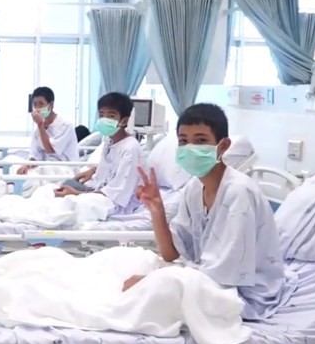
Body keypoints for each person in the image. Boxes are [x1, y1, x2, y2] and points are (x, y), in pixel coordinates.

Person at [123, 103, 296, 321]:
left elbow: (222, 277)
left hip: (243, 293)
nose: (190, 148)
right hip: (208, 279)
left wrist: (156, 281)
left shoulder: (238, 193)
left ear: (223, 146)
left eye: (201, 140)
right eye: (183, 141)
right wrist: (157, 210)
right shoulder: (194, 189)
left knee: (142, 291)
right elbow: (171, 254)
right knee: (124, 263)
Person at [54, 92, 142, 215]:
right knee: (50, 190)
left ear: (124, 120)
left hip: (112, 204)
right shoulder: (109, 141)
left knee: (68, 204)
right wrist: (92, 173)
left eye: (111, 116)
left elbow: (117, 194)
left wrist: (77, 194)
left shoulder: (130, 148)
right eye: (101, 115)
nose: (104, 119)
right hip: (98, 194)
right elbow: (103, 176)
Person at [17, 87, 79, 174]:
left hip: (65, 168)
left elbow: (50, 150)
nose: (37, 108)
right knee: (18, 170)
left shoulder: (65, 125)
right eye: (35, 104)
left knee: (35, 176)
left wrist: (40, 125)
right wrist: (28, 165)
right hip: (46, 166)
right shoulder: (38, 131)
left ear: (51, 105)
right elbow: (35, 154)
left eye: (41, 104)